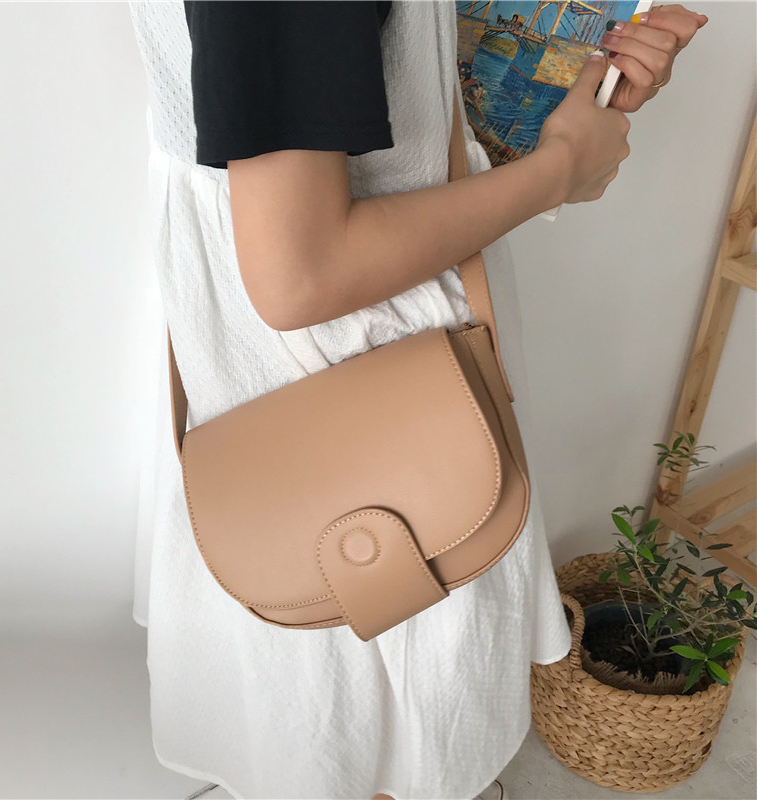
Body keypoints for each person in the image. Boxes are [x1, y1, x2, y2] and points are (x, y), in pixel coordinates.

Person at [127, 2, 707, 799]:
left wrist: (571, 94)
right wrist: (559, 171)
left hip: (315, 361)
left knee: (340, 703)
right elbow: (301, 273)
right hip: (363, 373)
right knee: (380, 694)